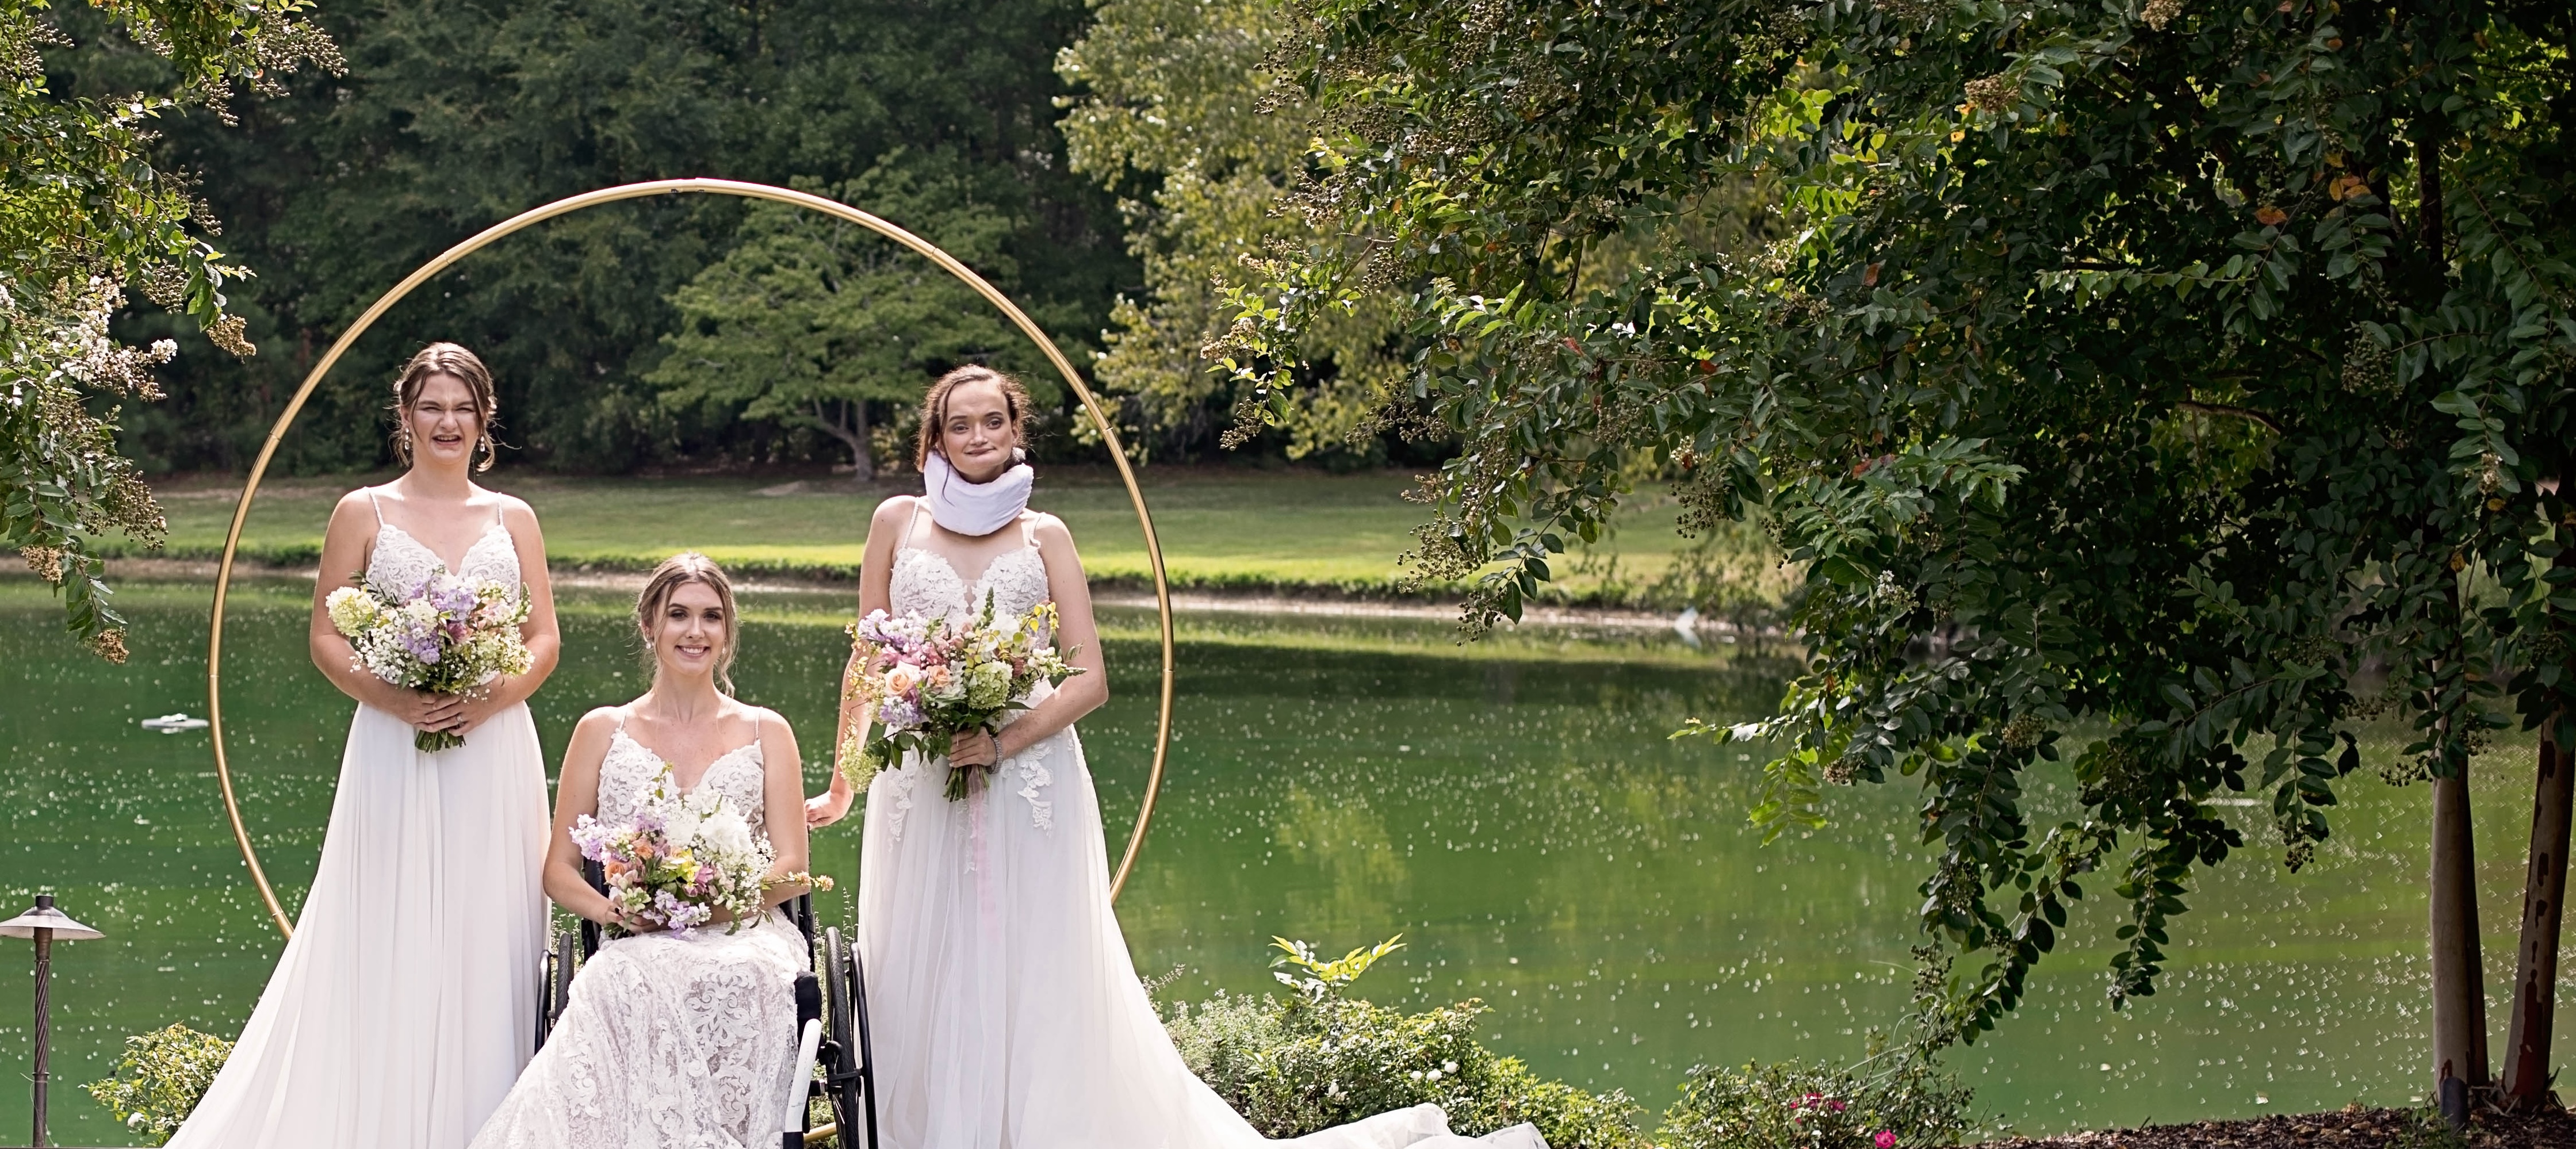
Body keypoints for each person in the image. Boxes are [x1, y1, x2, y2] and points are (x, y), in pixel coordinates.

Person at [804, 365, 1542, 1149]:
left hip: (1025, 783)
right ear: (935, 436)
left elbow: (1089, 677)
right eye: (960, 424)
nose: (978, 437)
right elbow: (869, 661)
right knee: (922, 959)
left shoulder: (1043, 536)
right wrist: (843, 780)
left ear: (1016, 431)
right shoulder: (896, 520)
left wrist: (1000, 741)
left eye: (994, 421)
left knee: (1036, 965)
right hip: (919, 780)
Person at [172, 343, 559, 1149]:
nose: (446, 421)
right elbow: (323, 633)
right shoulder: (363, 512)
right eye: (431, 407)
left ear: (484, 420)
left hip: (494, 748)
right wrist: (398, 699)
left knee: (492, 928)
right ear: (406, 418)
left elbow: (544, 637)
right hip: (392, 745)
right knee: (386, 924)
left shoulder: (513, 517)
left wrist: (485, 698)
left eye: (462, 407)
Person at [469, 552, 815, 1148]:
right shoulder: (602, 730)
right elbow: (559, 870)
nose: (695, 631)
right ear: (648, 626)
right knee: (615, 974)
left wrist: (715, 908)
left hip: (745, 931)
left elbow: (792, 869)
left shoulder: (767, 731)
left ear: (727, 633)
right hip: (636, 932)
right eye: (678, 614)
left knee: (752, 974)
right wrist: (615, 913)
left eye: (711, 617)